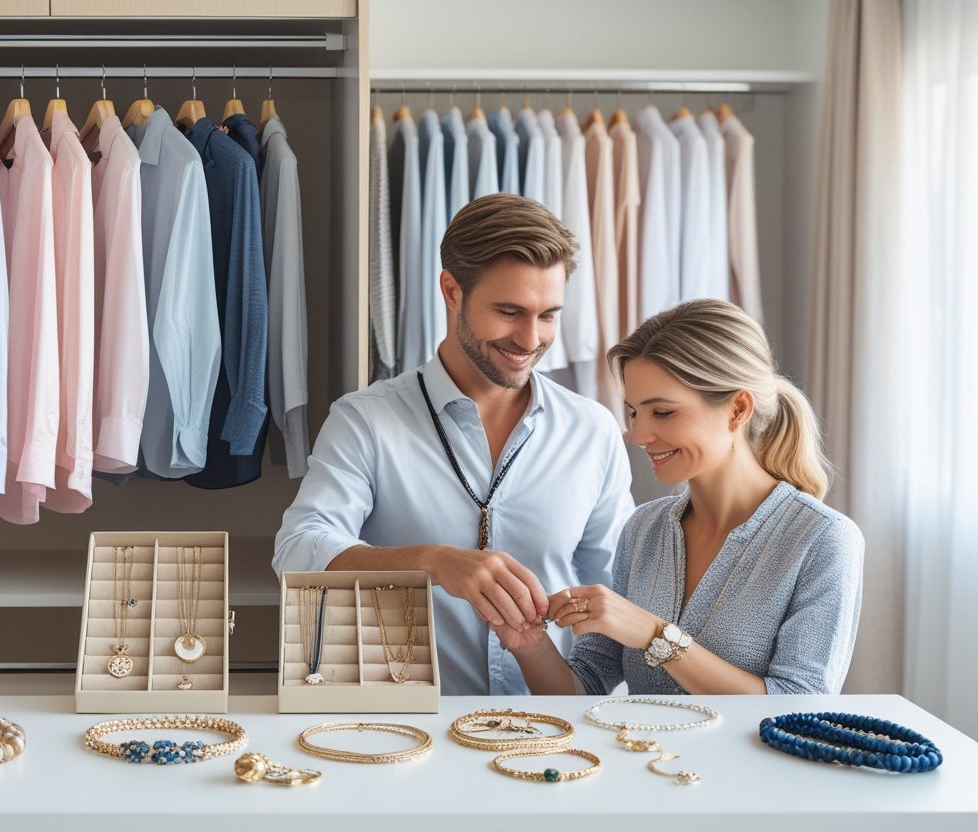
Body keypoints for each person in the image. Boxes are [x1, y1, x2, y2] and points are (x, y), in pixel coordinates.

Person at [273, 193, 635, 695]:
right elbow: (297, 551)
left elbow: (618, 592)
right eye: (509, 311)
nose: (530, 339)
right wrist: (431, 561)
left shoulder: (593, 430)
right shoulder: (366, 420)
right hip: (406, 735)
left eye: (548, 315)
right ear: (451, 290)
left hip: (553, 732)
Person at [499, 299, 864, 695]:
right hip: (638, 758)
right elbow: (582, 689)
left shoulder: (823, 539)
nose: (638, 436)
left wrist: (657, 636)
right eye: (634, 412)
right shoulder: (644, 529)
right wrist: (528, 642)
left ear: (737, 409)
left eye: (663, 413)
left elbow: (799, 707)